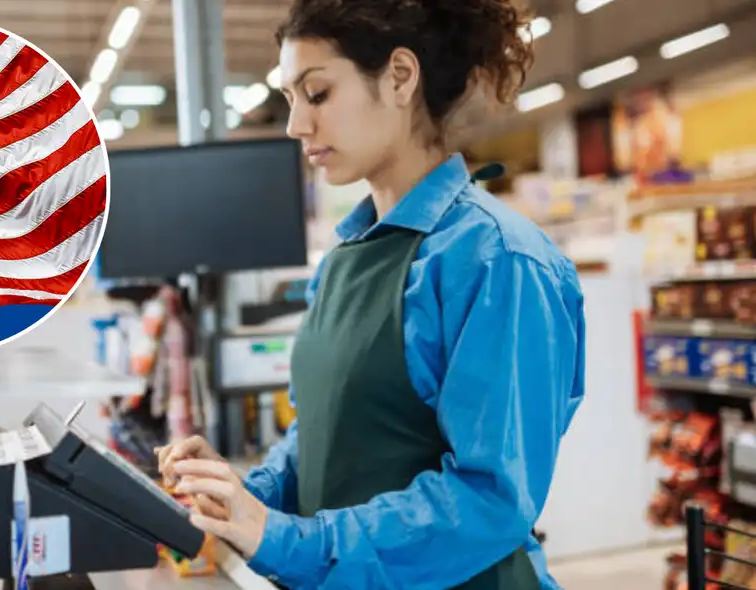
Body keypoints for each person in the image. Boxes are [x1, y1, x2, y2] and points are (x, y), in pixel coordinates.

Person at [154, 0, 585, 588]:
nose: (295, 124)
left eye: (318, 93)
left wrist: (288, 540)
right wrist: (240, 495)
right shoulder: (345, 260)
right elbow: (325, 434)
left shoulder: (496, 260)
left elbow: (490, 500)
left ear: (400, 77)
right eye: (290, 99)